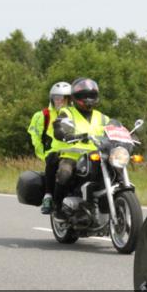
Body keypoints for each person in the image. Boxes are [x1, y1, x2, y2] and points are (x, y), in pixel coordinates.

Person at [50, 78, 111, 218]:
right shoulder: (67, 112)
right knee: (64, 172)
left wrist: (129, 136)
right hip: (73, 155)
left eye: (91, 95)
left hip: (98, 156)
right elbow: (59, 126)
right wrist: (63, 132)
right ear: (75, 97)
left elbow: (114, 129)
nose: (88, 99)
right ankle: (57, 207)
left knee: (116, 169)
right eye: (84, 96)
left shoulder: (102, 117)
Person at [28, 81, 72, 214]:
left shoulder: (76, 114)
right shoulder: (43, 115)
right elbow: (35, 136)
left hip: (77, 150)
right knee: (52, 161)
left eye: (63, 98)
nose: (60, 101)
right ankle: (48, 196)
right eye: (56, 98)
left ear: (70, 99)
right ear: (52, 99)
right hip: (56, 150)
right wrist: (43, 155)